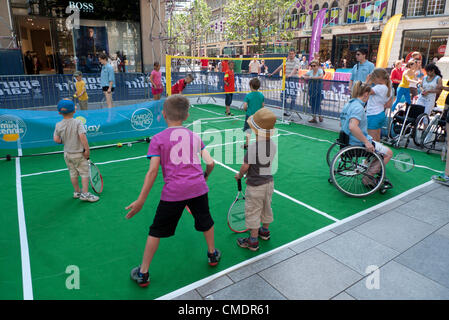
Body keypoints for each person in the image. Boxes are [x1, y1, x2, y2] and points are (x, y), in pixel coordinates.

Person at [126, 95, 220, 287]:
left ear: (163, 114)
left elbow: (153, 171)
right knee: (205, 221)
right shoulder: (195, 136)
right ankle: (212, 254)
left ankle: (143, 273)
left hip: (173, 193)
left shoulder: (158, 139)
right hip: (198, 189)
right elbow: (210, 163)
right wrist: (205, 177)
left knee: (156, 231)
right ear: (186, 115)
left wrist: (141, 201)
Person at [234, 107, 277, 251]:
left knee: (253, 212)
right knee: (266, 208)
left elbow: (245, 166)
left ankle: (252, 240)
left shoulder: (253, 147)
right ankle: (264, 232)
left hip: (255, 186)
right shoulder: (272, 144)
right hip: (269, 183)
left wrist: (239, 175)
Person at [340, 81, 393, 186]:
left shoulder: (348, 104)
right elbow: (352, 126)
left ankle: (370, 168)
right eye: (369, 94)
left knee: (377, 144)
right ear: (366, 94)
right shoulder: (358, 108)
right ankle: (368, 177)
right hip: (357, 144)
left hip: (347, 140)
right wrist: (366, 142)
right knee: (389, 153)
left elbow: (342, 124)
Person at [53, 99, 99, 203]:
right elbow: (82, 137)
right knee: (84, 174)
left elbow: (56, 139)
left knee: (73, 173)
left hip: (67, 155)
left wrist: (64, 140)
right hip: (78, 154)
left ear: (59, 112)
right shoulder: (78, 122)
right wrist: (87, 150)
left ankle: (77, 192)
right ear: (74, 110)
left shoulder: (58, 125)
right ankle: (85, 194)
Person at [269, 48, 300, 116]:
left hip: (293, 80)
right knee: (283, 95)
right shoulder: (286, 60)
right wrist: (272, 74)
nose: (291, 55)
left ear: (295, 54)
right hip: (286, 80)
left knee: (293, 96)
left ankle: (291, 111)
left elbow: (295, 69)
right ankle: (286, 110)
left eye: (292, 54)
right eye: (290, 54)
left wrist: (290, 75)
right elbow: (280, 67)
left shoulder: (297, 60)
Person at [365, 68, 393, 142]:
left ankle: (373, 153)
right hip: (380, 113)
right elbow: (388, 104)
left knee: (371, 140)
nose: (372, 79)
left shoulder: (379, 87)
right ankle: (379, 152)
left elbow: (364, 91)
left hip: (373, 114)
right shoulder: (387, 88)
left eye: (373, 77)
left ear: (378, 78)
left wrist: (367, 81)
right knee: (377, 138)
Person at [242, 78, 265, 149]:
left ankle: (247, 144)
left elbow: (245, 106)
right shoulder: (261, 95)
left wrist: (246, 110)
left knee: (248, 131)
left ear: (251, 86)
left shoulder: (248, 95)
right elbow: (263, 105)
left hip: (249, 115)